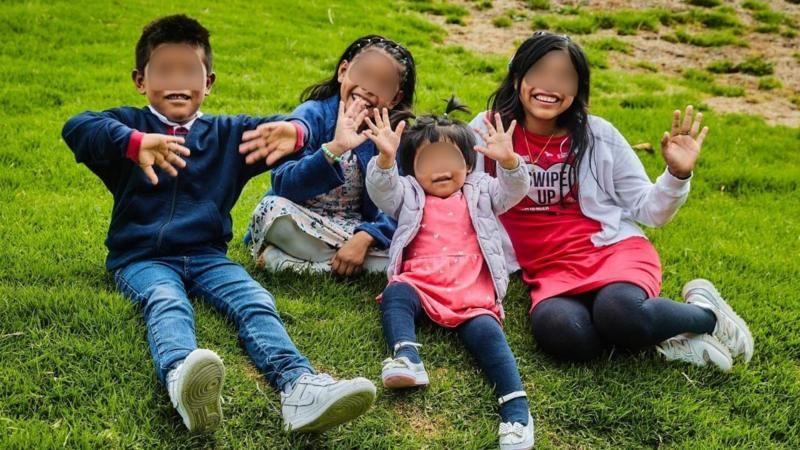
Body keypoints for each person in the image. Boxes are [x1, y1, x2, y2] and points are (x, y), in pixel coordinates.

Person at [61, 14, 376, 434]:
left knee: (255, 300)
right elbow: (77, 128)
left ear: (209, 82)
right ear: (141, 80)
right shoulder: (129, 126)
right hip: (141, 258)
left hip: (208, 257)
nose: (177, 80)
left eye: (189, 70)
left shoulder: (229, 135)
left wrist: (315, 139)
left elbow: (286, 130)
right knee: (166, 301)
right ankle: (181, 379)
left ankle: (300, 387)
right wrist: (134, 144)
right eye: (164, 70)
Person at [471, 32, 753, 370]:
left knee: (620, 313)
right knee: (562, 334)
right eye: (540, 72)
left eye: (564, 77)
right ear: (517, 76)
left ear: (578, 89)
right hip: (548, 269)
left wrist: (676, 175)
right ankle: (668, 337)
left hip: (609, 250)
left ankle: (707, 316)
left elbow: (650, 210)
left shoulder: (598, 135)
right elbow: (457, 189)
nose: (550, 84)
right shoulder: (488, 130)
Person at [365, 100, 535, 450]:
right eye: (429, 161)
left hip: (471, 291)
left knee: (490, 337)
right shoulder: (409, 195)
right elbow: (382, 190)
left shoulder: (483, 190)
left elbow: (514, 190)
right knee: (397, 293)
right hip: (421, 283)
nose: (441, 169)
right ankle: (407, 357)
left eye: (450, 159)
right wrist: (384, 160)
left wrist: (508, 161)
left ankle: (516, 411)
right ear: (411, 169)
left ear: (468, 163)